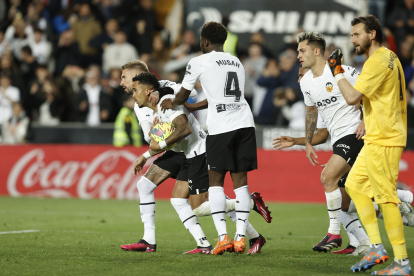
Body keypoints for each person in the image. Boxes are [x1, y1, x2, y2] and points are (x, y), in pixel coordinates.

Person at [119, 61, 270, 254]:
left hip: (193, 148)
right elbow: (152, 137)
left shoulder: (167, 90)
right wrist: (153, 141)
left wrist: (164, 94)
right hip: (176, 149)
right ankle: (186, 242)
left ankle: (248, 212)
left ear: (138, 78)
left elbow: (189, 95)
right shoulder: (139, 106)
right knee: (153, 188)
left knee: (206, 202)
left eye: (124, 77)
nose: (121, 82)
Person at [161, 22, 257, 255]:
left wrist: (173, 102)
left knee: (215, 183)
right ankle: (241, 238)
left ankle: (223, 238)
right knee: (241, 183)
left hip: (221, 127)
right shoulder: (237, 62)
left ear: (204, 42)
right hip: (245, 124)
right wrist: (195, 106)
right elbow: (231, 96)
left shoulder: (198, 61)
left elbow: (182, 93)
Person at [327, 15, 411, 274]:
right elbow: (380, 96)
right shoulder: (391, 56)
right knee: (353, 185)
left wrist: (337, 71)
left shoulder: (375, 62)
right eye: (352, 35)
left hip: (385, 139)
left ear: (372, 34)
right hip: (377, 135)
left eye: (357, 34)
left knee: (386, 199)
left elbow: (352, 97)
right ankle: (377, 248)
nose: (353, 40)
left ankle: (402, 263)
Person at [292, 31, 367, 254]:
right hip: (338, 139)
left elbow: (369, 94)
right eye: (298, 51)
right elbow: (311, 112)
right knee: (349, 201)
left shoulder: (340, 71)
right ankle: (404, 203)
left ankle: (334, 233)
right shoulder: (305, 82)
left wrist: (365, 120)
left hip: (356, 135)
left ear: (317, 51)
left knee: (327, 177)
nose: (298, 55)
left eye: (302, 50)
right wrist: (307, 143)